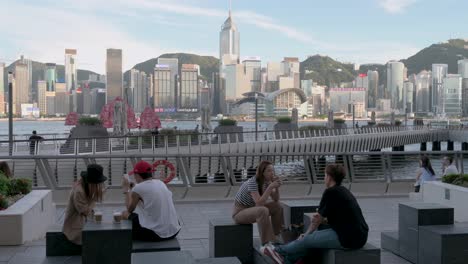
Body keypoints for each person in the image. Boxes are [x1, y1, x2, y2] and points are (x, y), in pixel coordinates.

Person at [262, 164, 369, 264]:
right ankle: (288, 259)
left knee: (307, 240)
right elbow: (338, 214)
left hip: (348, 238)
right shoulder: (343, 190)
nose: (324, 178)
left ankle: (277, 251)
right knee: (314, 238)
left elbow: (316, 220)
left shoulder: (330, 192)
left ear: (330, 177)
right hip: (360, 235)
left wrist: (306, 234)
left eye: (325, 175)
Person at [122, 160, 181, 241]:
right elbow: (147, 190)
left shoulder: (138, 188)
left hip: (156, 234)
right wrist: (134, 188)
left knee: (124, 214)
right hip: (174, 230)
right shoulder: (160, 183)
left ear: (137, 175)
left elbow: (129, 209)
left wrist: (126, 190)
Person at [232, 160, 284, 246]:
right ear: (262, 172)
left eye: (273, 170)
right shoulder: (253, 182)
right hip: (239, 213)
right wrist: (271, 187)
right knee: (262, 210)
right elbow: (259, 204)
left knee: (277, 206)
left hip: (252, 209)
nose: (272, 173)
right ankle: (266, 243)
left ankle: (277, 236)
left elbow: (276, 199)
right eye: (269, 171)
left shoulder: (267, 182)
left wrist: (277, 187)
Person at [63, 164, 106, 245]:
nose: (98, 186)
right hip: (75, 230)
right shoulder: (79, 191)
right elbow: (85, 212)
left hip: (83, 225)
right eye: (97, 183)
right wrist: (95, 199)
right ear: (92, 183)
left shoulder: (84, 186)